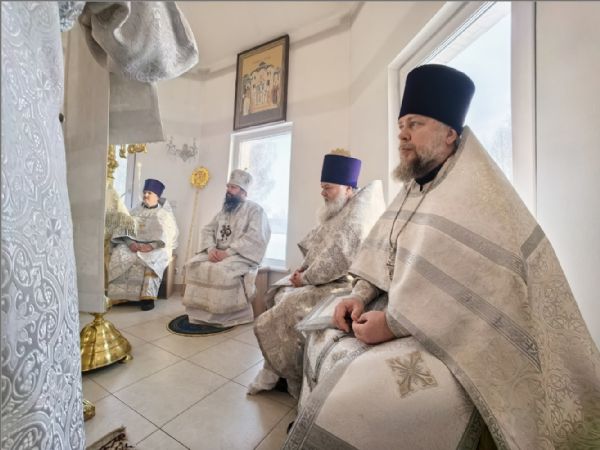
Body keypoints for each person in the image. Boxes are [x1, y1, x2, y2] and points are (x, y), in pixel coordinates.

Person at [284, 65, 600, 450]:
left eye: (415, 124)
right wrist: (359, 295)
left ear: (450, 134)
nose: (402, 133)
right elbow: (385, 257)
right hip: (403, 316)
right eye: (401, 125)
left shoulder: (478, 198)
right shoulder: (413, 190)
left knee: (355, 397)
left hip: (466, 344)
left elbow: (484, 296)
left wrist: (393, 324)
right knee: (323, 339)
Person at [1, 2, 197, 448]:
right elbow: (156, 43)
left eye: (151, 195)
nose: (148, 198)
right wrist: (133, 240)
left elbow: (163, 236)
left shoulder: (162, 212)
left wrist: (147, 245)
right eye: (146, 195)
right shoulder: (140, 208)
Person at [248, 152, 385, 398]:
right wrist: (302, 271)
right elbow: (319, 247)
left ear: (348, 189)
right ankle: (279, 370)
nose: (323, 193)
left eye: (328, 187)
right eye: (322, 187)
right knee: (279, 289)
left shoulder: (356, 218)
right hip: (324, 278)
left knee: (289, 303)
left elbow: (338, 259)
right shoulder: (340, 209)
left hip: (347, 284)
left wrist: (305, 279)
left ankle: (289, 377)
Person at [183, 169, 271, 328]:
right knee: (195, 265)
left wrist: (228, 252)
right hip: (218, 252)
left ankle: (225, 316)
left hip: (242, 256)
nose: (228, 190)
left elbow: (256, 237)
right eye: (228, 187)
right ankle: (200, 314)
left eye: (233, 187)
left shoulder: (255, 210)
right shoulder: (224, 211)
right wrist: (210, 249)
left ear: (243, 191)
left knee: (220, 271)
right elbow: (207, 229)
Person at [107, 179, 179, 311]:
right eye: (144, 192)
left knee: (152, 259)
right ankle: (121, 297)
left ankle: (148, 298)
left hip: (155, 247)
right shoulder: (135, 211)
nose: (145, 195)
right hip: (133, 244)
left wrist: (151, 246)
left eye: (149, 193)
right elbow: (123, 228)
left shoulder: (163, 214)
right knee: (119, 253)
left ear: (157, 196)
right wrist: (130, 243)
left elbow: (168, 235)